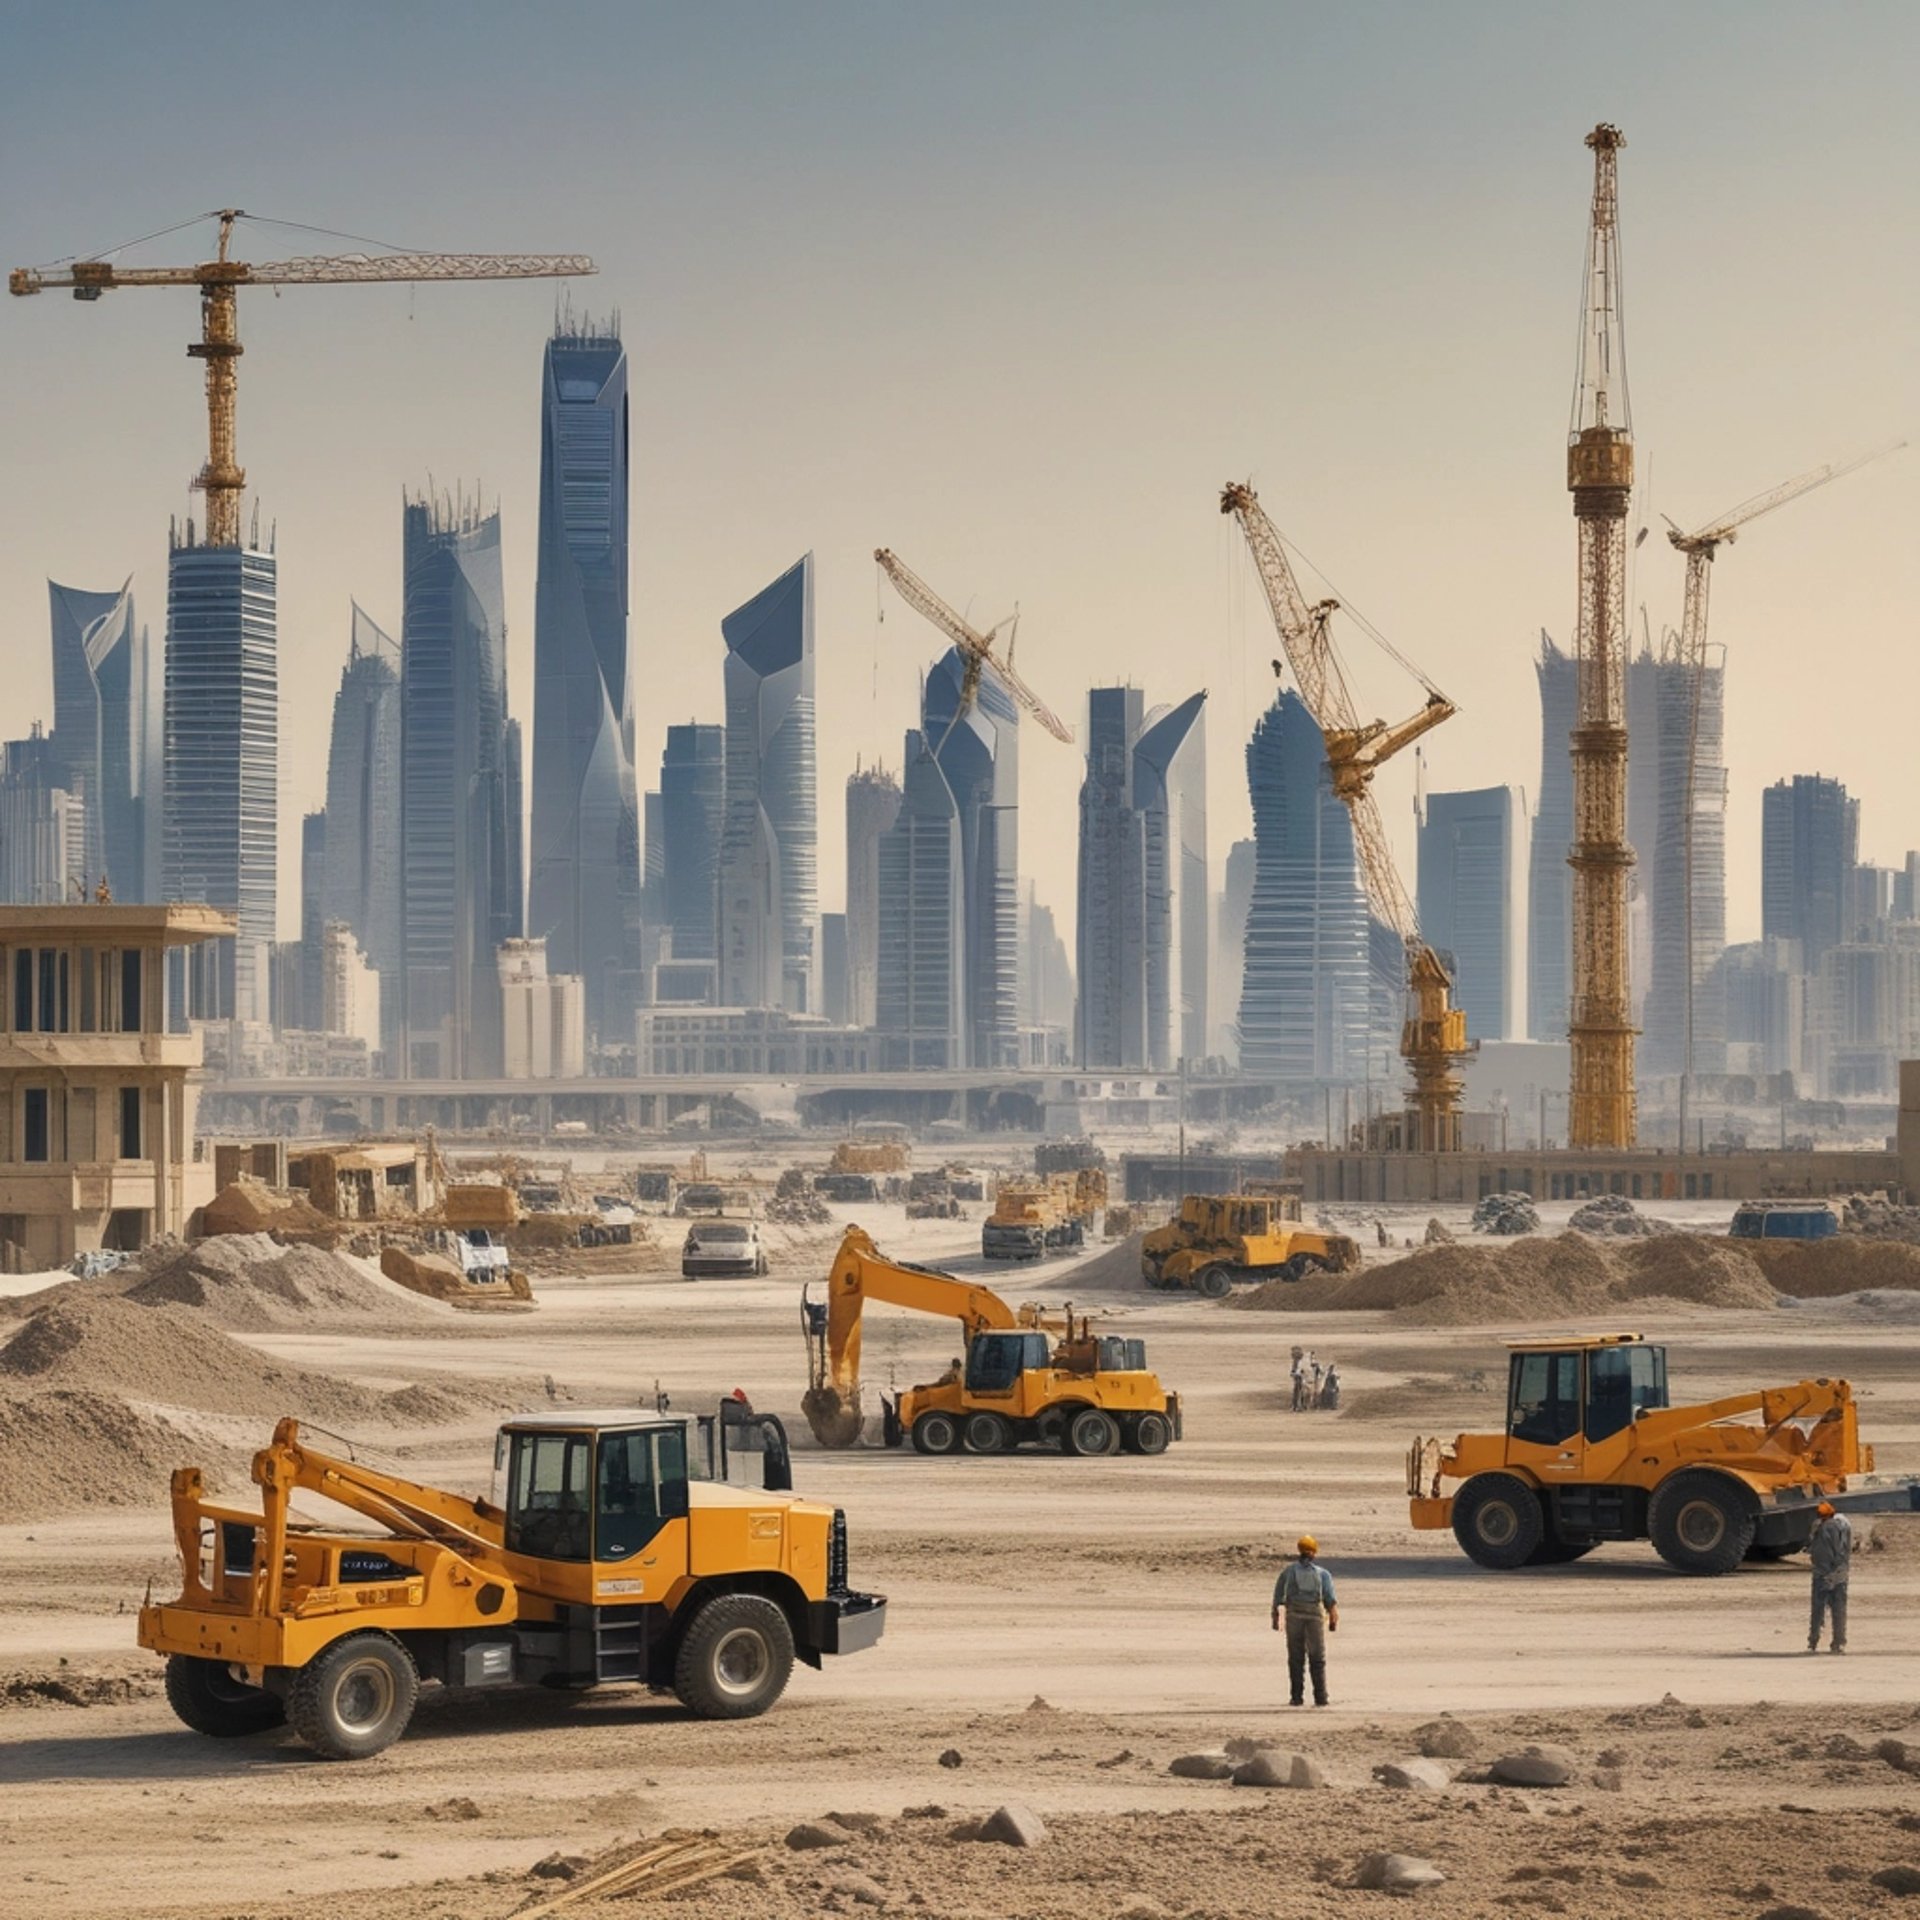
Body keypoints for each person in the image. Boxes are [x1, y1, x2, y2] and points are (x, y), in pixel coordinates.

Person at [1270, 1534, 1339, 1707]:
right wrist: (1333, 1620)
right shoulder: (1323, 1574)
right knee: (1317, 1658)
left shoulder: (1289, 1571)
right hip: (1314, 1617)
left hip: (1293, 1617)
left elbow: (1278, 1597)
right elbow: (1330, 1599)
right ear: (1314, 1553)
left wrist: (1275, 1618)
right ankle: (1321, 1697)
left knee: (1296, 1658)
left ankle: (1296, 1697)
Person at [1808, 1501, 1851, 1654]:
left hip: (1822, 1574)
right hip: (1839, 1574)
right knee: (1839, 1610)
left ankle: (1813, 1641)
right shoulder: (1843, 1526)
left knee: (1818, 1610)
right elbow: (1842, 1552)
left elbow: (1815, 1552)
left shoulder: (1823, 1527)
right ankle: (1839, 1642)